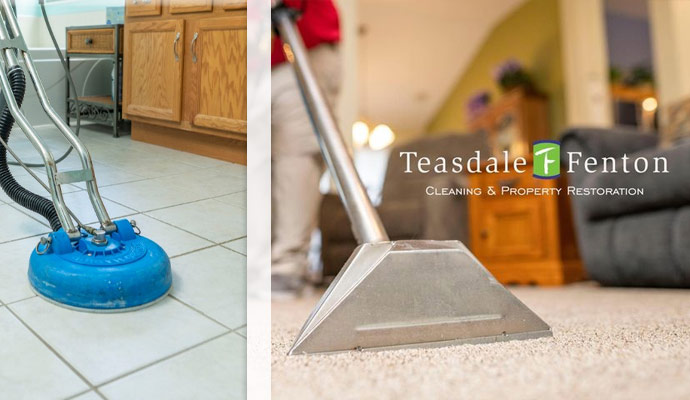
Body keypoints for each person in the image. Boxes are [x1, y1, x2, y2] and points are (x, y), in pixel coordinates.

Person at [271, 0, 341, 297]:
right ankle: (272, 260)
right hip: (265, 58)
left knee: (296, 153)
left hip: (301, 46)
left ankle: (287, 268)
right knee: (266, 164)